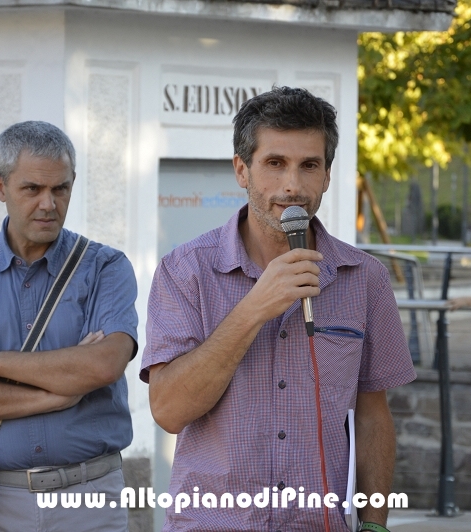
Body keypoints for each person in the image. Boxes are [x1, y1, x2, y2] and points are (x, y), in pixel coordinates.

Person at [141, 87, 416, 532]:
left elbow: (372, 416)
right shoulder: (185, 270)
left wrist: (375, 525)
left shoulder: (364, 278)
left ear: (327, 176)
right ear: (241, 170)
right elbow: (169, 411)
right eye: (275, 164)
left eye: (309, 165)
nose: (293, 185)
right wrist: (254, 308)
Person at [0, 121, 138, 531]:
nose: (48, 204)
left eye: (60, 189)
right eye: (32, 189)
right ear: (0, 187)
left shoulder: (107, 267)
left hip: (91, 499)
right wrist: (54, 397)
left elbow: (104, 366)